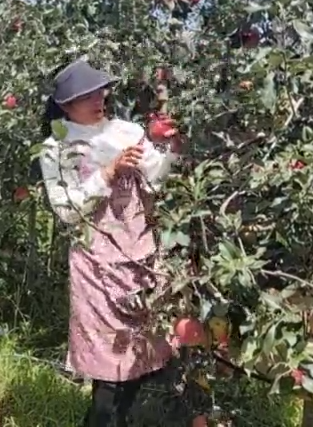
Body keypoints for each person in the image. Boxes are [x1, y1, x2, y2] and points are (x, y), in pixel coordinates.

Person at [38, 60, 205, 426]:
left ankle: (118, 421)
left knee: (138, 360)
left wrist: (173, 149)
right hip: (97, 265)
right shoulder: (57, 149)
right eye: (86, 96)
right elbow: (67, 211)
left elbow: (157, 179)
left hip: (140, 257)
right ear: (65, 105)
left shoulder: (126, 131)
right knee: (108, 370)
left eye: (99, 91)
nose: (98, 99)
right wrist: (108, 173)